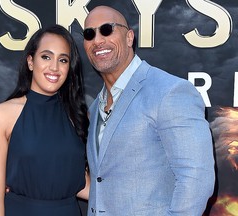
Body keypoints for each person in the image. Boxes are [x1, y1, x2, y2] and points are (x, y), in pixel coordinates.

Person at [83, 5, 215, 215]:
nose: (98, 40)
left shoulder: (170, 91)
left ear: (129, 37)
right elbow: (102, 182)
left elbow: (197, 178)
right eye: (89, 34)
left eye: (107, 29)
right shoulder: (94, 107)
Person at [0, 25, 89, 216]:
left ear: (69, 67)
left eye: (63, 60)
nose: (54, 67)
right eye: (46, 57)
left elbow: (80, 182)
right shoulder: (1, 115)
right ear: (30, 62)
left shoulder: (78, 116)